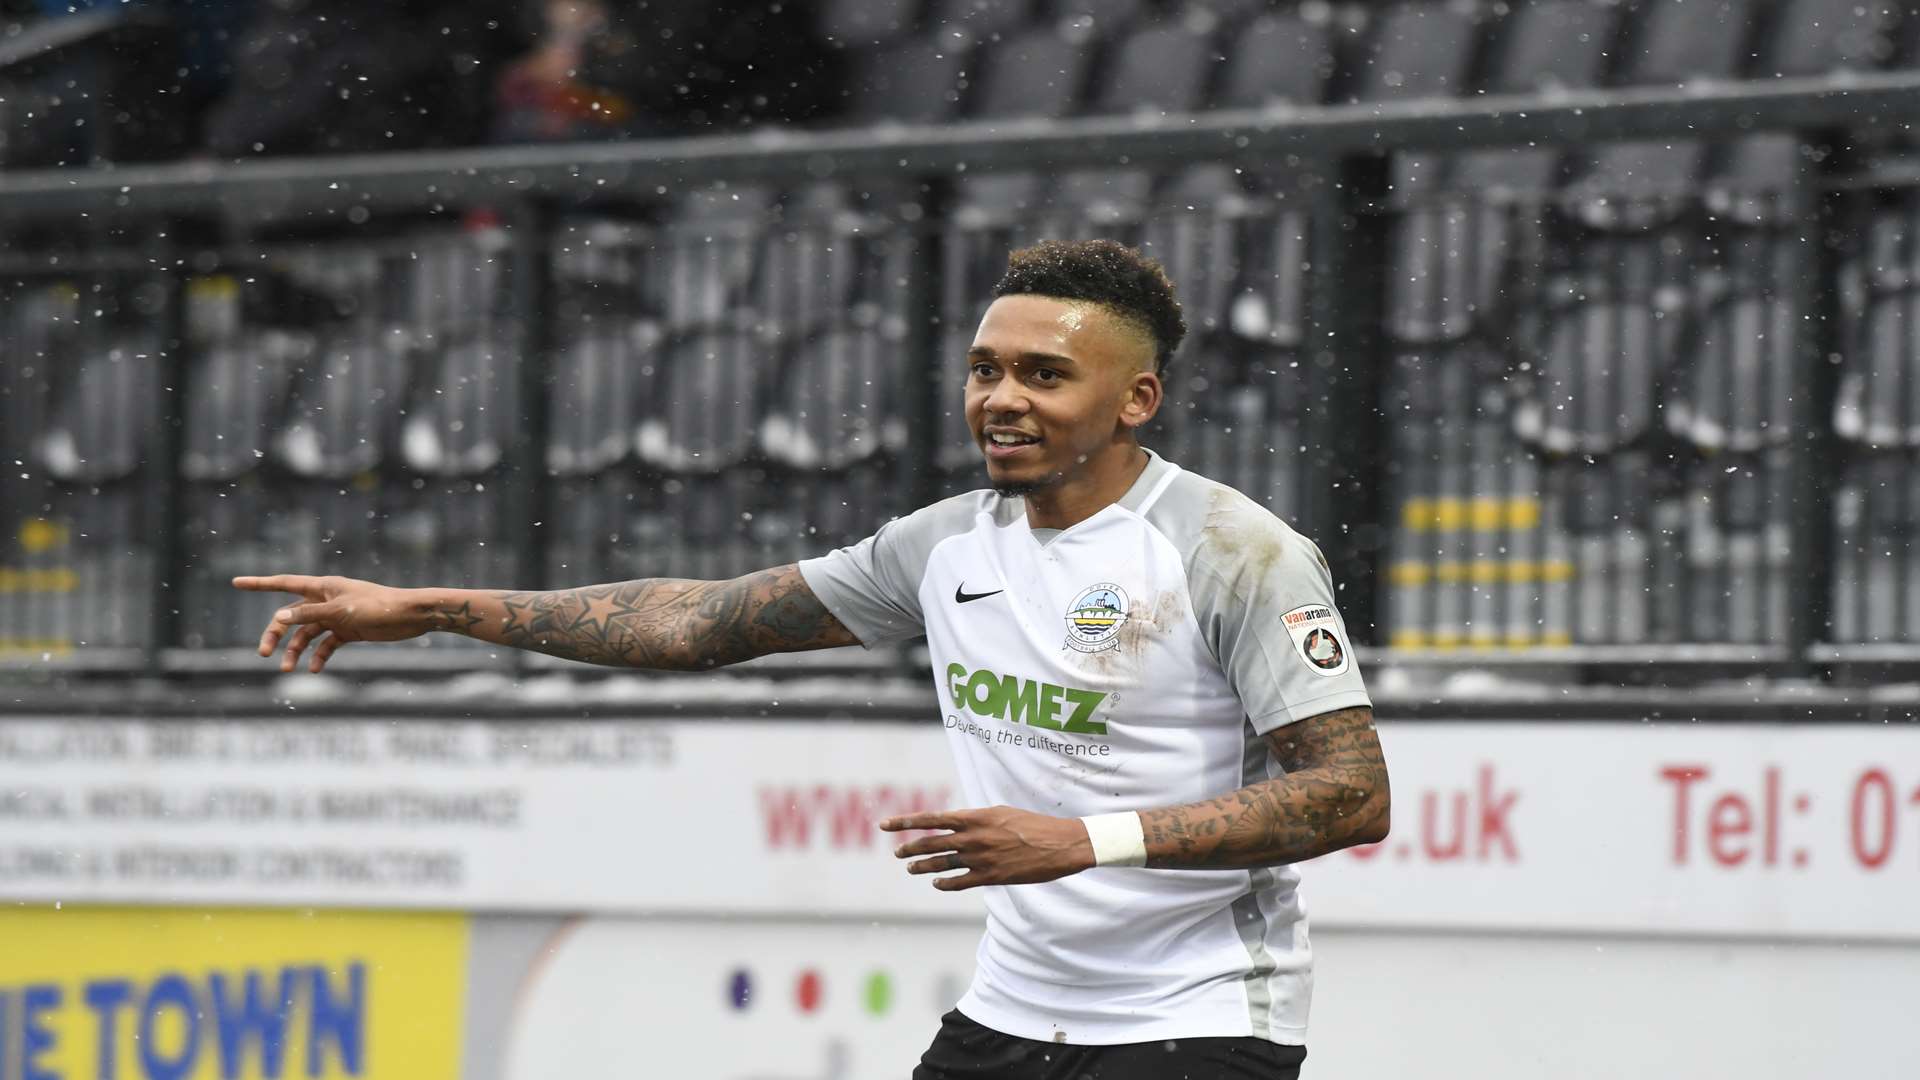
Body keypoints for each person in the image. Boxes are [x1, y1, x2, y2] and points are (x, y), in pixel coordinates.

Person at [234, 238, 1391, 1080]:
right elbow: (696, 624)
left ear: (1137, 398)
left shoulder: (1235, 551)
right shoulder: (943, 545)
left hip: (1196, 1023)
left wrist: (1086, 842)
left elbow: (1350, 796)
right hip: (1013, 1012)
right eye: (987, 368)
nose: (1001, 397)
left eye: (1045, 375)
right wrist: (435, 607)